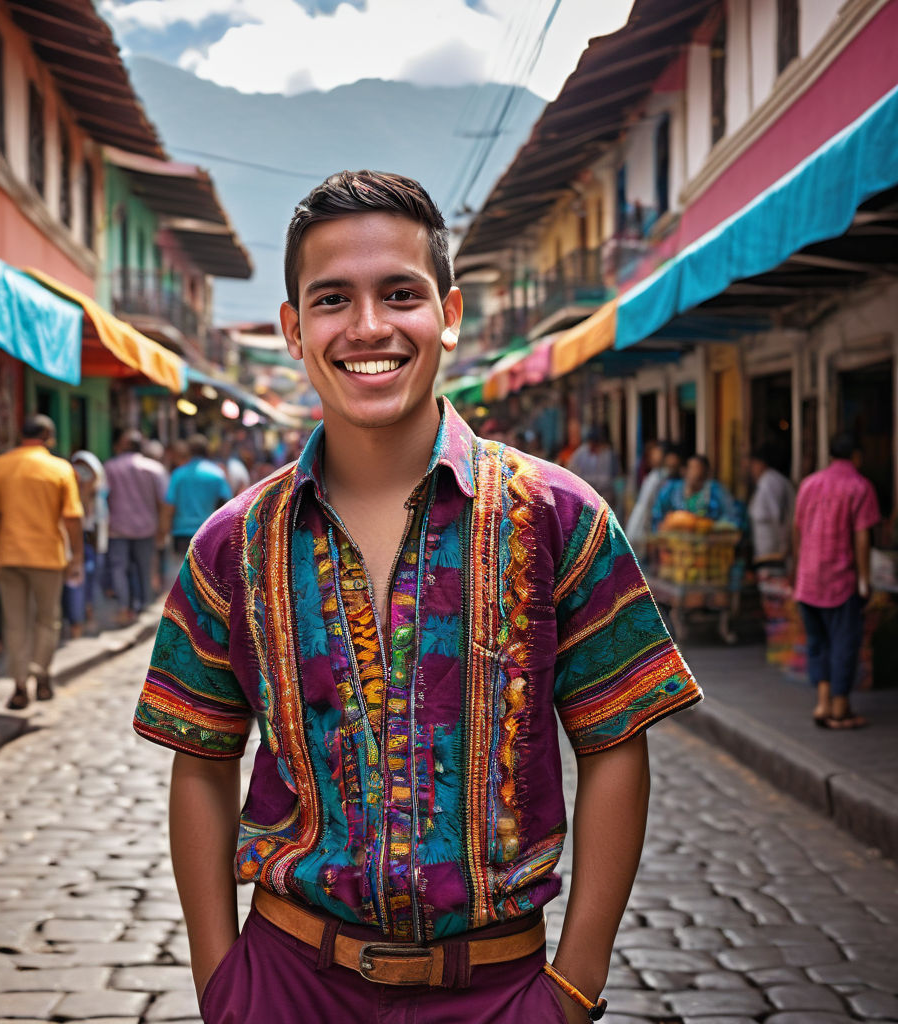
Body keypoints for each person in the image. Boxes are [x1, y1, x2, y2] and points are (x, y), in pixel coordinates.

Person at [132, 170, 702, 1024]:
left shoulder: (559, 519)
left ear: (450, 313)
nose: (368, 328)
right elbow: (203, 761)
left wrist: (575, 986)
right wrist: (223, 986)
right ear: (293, 329)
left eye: (400, 293)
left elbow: (615, 742)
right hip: (287, 985)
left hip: (502, 991)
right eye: (332, 300)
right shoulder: (232, 546)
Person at [0, 415, 84, 710]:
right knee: (47, 619)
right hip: (47, 556)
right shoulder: (60, 468)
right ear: (48, 437)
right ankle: (40, 674)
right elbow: (72, 517)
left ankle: (18, 686)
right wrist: (76, 554)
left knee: (14, 623)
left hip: (8, 554)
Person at [793, 432, 880, 730]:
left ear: (830, 456)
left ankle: (822, 703)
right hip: (839, 581)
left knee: (818, 643)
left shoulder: (808, 484)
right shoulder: (860, 486)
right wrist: (865, 581)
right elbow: (862, 537)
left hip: (807, 579)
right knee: (844, 642)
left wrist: (797, 570)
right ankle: (840, 708)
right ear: (856, 456)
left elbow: (798, 530)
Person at [104, 431, 167, 626]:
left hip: (117, 527)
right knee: (143, 567)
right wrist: (162, 529)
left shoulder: (110, 467)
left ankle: (124, 607)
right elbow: (164, 501)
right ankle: (142, 605)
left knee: (119, 568)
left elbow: (102, 497)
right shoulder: (154, 468)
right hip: (146, 527)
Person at [160, 434, 231, 554]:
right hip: (208, 532)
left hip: (181, 533)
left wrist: (163, 531)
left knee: (182, 570)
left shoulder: (178, 474)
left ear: (188, 451)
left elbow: (169, 506)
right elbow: (227, 505)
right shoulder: (217, 474)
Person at [63, 450, 108, 638]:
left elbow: (98, 523)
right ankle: (76, 622)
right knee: (73, 583)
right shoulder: (69, 494)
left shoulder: (99, 495)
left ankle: (85, 614)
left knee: (89, 581)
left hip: (90, 545)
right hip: (72, 545)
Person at [651, 453, 744, 531]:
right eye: (692, 469)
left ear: (706, 475)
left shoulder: (715, 490)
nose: (695, 474)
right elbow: (657, 514)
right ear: (684, 471)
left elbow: (733, 517)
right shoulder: (671, 489)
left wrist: (712, 526)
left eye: (700, 476)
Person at [748, 444, 795, 567]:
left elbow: (777, 514)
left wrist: (783, 545)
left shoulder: (769, 481)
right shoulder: (772, 479)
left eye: (753, 464)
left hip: (772, 544)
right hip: (770, 543)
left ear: (761, 464)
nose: (752, 469)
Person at [625, 440, 668, 553]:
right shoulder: (653, 475)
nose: (654, 458)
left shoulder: (662, 477)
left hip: (654, 518)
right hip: (643, 516)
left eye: (657, 454)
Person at [567, 425, 620, 507]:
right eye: (592, 443)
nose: (594, 446)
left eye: (596, 443)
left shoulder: (609, 454)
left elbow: (615, 475)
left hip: (604, 493)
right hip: (585, 492)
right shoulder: (581, 453)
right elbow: (571, 470)